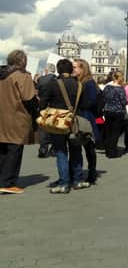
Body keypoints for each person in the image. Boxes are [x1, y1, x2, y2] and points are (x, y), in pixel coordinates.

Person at [40, 58, 91, 194]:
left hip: (58, 122)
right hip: (74, 121)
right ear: (70, 70)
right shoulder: (79, 85)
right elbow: (84, 104)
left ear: (58, 70)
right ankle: (78, 180)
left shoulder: (53, 84)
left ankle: (64, 183)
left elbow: (43, 103)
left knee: (61, 152)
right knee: (76, 151)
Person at [0, 50, 38, 194]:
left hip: (1, 116)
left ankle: (2, 179)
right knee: (14, 150)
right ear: (22, 61)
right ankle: (8, 182)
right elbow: (28, 98)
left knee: (2, 149)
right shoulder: (22, 75)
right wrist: (36, 109)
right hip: (16, 116)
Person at [72, 58, 99, 184]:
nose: (73, 69)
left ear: (83, 69)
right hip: (81, 116)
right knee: (76, 146)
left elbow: (92, 101)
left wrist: (81, 106)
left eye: (75, 67)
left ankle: (92, 173)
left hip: (86, 117)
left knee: (89, 148)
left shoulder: (89, 83)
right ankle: (76, 173)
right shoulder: (78, 82)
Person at [102, 71, 127, 158]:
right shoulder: (121, 89)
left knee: (108, 131)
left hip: (108, 110)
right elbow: (124, 101)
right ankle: (112, 151)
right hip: (118, 112)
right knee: (115, 132)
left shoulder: (107, 87)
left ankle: (107, 150)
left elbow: (103, 98)